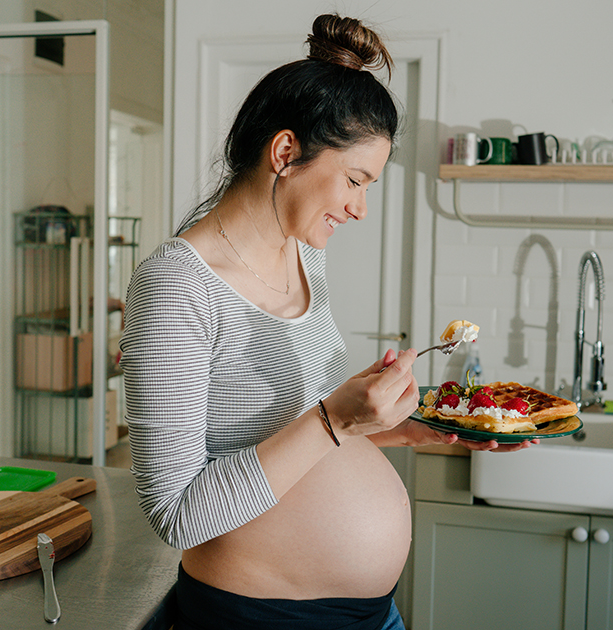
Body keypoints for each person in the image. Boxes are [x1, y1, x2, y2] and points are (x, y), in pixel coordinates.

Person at [119, 14, 534, 630]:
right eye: (355, 180)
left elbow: (295, 441)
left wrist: (405, 430)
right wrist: (335, 415)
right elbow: (178, 512)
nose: (360, 208)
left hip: (372, 614)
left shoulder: (304, 254)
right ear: (286, 152)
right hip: (263, 617)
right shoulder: (178, 284)